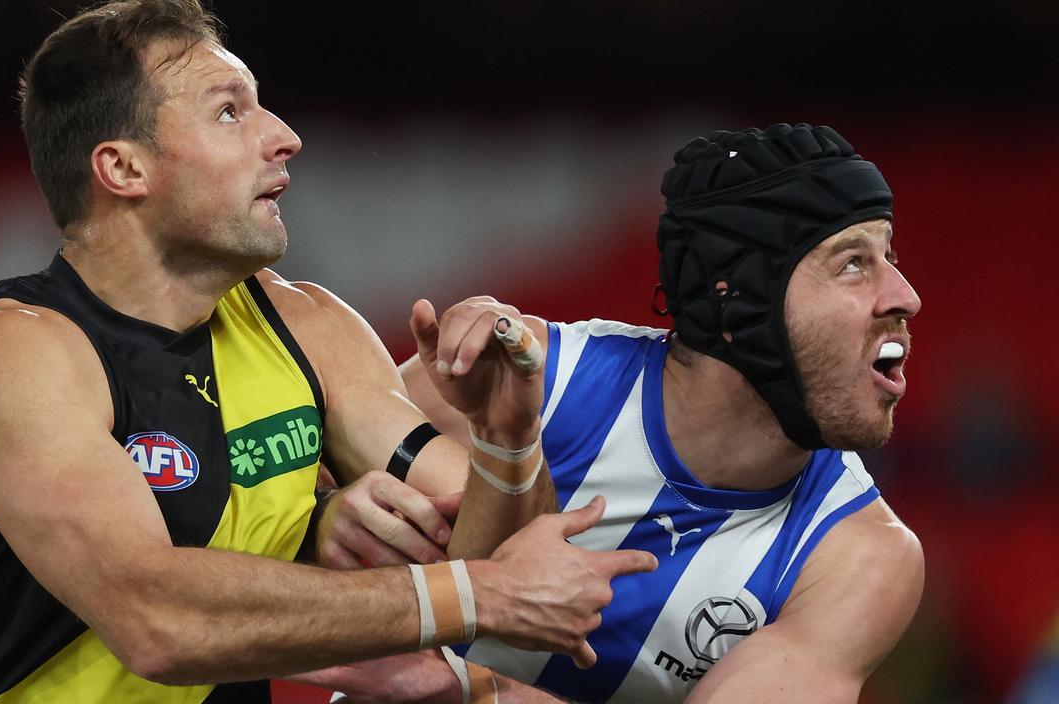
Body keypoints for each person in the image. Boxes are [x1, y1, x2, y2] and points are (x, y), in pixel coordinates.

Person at [0, 0, 658, 702]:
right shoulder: (13, 354)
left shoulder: (308, 327)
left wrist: (507, 437)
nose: (284, 137)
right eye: (231, 112)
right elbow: (156, 621)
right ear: (123, 168)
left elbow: (497, 565)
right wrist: (457, 591)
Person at [369, 123, 926, 703]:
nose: (906, 295)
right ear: (739, 298)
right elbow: (283, 527)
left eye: (888, 257)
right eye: (853, 264)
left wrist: (476, 689)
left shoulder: (857, 555)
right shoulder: (527, 380)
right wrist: (335, 513)